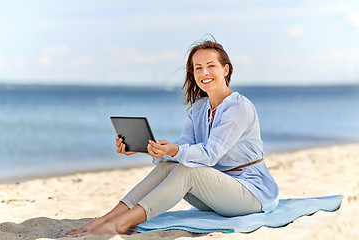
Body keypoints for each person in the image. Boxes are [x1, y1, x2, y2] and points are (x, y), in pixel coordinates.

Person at [67, 39, 279, 237]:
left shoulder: (238, 107)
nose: (204, 72)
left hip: (251, 194)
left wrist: (175, 151)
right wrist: (147, 147)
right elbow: (183, 146)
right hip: (218, 193)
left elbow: (210, 154)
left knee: (186, 168)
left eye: (210, 65)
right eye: (198, 67)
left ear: (226, 69)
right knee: (168, 165)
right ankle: (105, 219)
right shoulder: (199, 107)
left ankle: (122, 224)